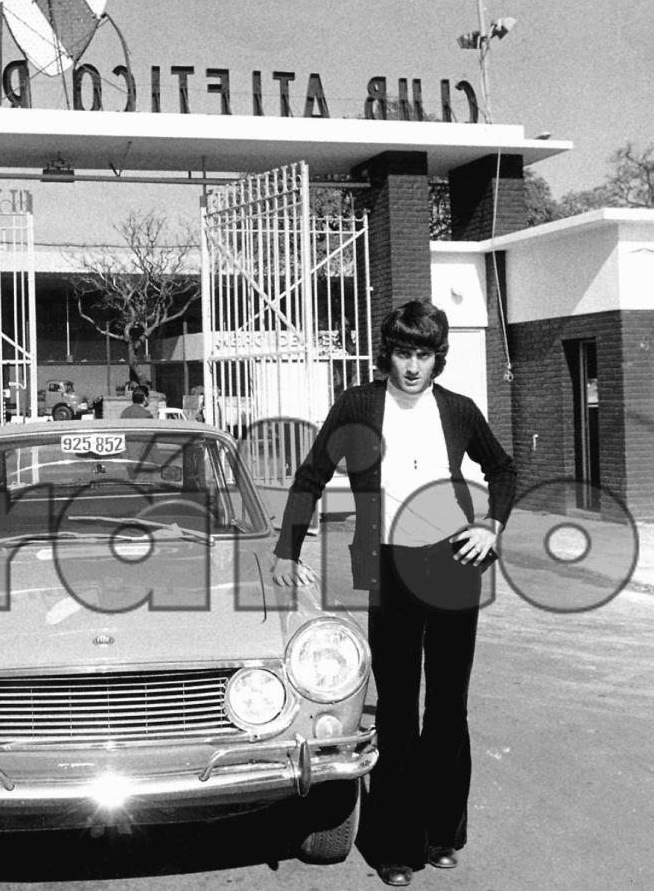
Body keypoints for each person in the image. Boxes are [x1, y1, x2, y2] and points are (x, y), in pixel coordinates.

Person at [271, 299, 516, 887]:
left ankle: (442, 832)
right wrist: (286, 549)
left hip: (455, 563)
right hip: (388, 566)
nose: (412, 366)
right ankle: (396, 845)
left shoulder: (457, 410)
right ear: (389, 354)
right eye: (404, 353)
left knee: (449, 704)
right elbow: (311, 475)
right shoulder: (358, 404)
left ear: (438, 359)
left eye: (423, 355)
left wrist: (491, 525)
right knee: (400, 707)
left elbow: (503, 469)